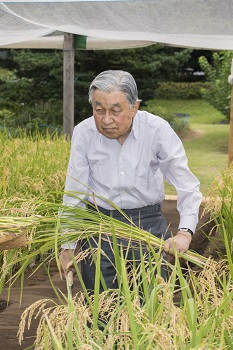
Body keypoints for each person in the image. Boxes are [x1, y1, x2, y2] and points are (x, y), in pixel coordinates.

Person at [59, 70, 202, 292]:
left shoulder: (157, 130)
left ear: (134, 107)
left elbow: (187, 184)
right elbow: (74, 192)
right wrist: (67, 246)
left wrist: (185, 233)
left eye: (115, 111)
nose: (106, 120)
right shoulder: (84, 133)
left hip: (147, 226)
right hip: (99, 227)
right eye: (99, 110)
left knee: (150, 309)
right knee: (101, 309)